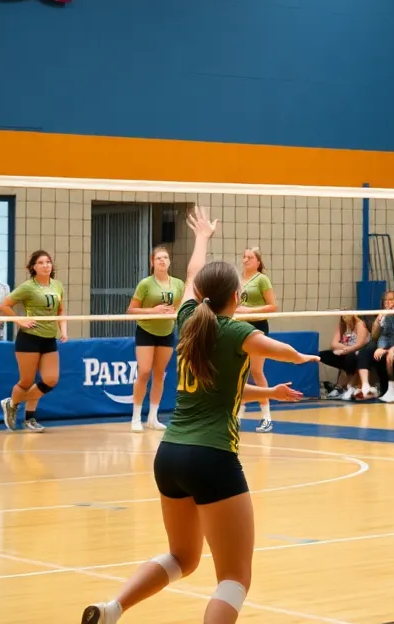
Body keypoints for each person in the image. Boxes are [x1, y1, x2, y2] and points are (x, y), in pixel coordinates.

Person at [80, 207, 317, 624]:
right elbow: (278, 349)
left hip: (170, 456)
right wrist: (301, 356)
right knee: (234, 577)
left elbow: (192, 278)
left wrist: (203, 238)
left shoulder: (189, 320)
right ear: (238, 298)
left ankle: (112, 608)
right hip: (213, 458)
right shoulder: (237, 331)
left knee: (182, 557)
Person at [0, 250, 67, 433]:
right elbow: (4, 305)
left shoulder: (58, 285)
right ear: (33, 267)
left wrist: (64, 330)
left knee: (50, 380)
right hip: (29, 338)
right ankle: (29, 417)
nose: (46, 265)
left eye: (48, 262)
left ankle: (12, 403)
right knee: (27, 381)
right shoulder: (28, 286)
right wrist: (19, 320)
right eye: (41, 262)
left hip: (49, 338)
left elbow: (60, 311)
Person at [126, 246, 185, 432]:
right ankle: (136, 417)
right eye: (158, 258)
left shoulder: (178, 284)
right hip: (146, 330)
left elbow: (181, 307)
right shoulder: (145, 284)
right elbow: (131, 310)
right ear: (152, 262)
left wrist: (175, 312)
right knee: (144, 372)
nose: (162, 260)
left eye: (165, 257)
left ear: (169, 261)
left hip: (167, 332)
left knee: (159, 374)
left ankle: (153, 417)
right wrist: (153, 310)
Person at [236, 247, 277, 432]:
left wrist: (249, 310)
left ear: (258, 262)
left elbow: (272, 306)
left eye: (250, 257)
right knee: (238, 372)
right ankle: (237, 413)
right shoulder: (237, 280)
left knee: (256, 372)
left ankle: (266, 417)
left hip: (257, 327)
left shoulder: (262, 279)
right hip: (238, 328)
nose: (246, 260)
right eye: (244, 257)